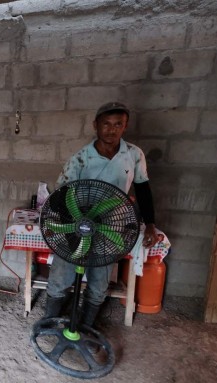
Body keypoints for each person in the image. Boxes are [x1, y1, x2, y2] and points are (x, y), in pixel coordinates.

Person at [44, 101, 159, 329]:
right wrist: (55, 222)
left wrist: (151, 223)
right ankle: (48, 322)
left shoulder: (134, 155)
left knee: (99, 281)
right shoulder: (81, 158)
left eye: (118, 124)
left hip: (110, 227)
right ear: (95, 125)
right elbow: (60, 193)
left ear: (125, 126)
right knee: (61, 276)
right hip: (77, 223)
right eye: (106, 124)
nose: (111, 129)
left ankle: (86, 325)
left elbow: (143, 189)